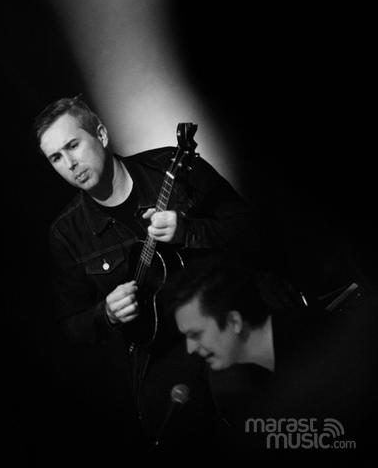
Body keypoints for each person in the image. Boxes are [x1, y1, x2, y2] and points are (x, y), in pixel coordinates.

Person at [34, 94, 261, 452]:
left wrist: (188, 230)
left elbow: (250, 230)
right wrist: (105, 313)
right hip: (161, 353)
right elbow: (71, 327)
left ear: (101, 135)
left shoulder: (171, 168)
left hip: (224, 315)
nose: (70, 164)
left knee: (251, 402)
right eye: (56, 158)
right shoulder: (66, 234)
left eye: (73, 145)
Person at [168, 251, 378, 456]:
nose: (190, 348)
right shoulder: (229, 389)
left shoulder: (325, 343)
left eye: (196, 334)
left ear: (234, 321)